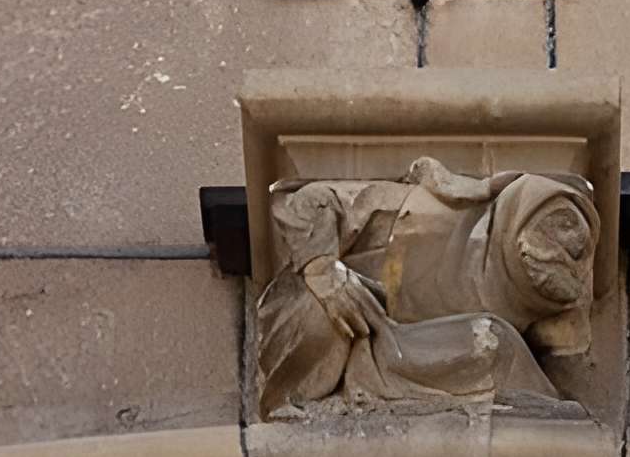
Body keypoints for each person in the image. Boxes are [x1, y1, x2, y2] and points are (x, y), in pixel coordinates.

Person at [253, 156, 598, 418]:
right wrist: (323, 270)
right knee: (317, 313)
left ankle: (537, 418)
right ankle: (311, 398)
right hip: (341, 316)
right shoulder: (425, 211)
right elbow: (311, 199)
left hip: (402, 347)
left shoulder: (517, 306)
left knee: (493, 341)